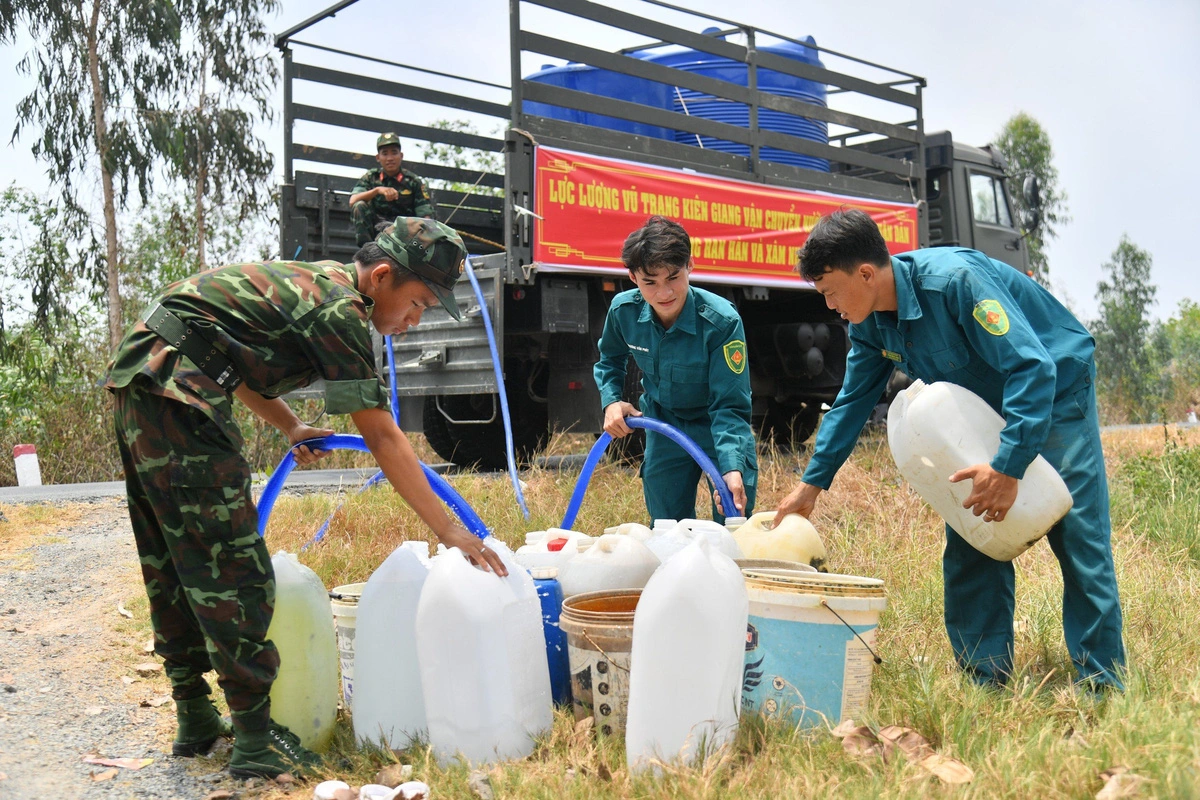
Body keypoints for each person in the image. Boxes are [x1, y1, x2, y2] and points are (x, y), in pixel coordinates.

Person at [104, 217, 506, 779]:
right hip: (178, 393)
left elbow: (227, 362)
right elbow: (383, 435)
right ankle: (253, 740)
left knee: (173, 556)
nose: (415, 322)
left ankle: (195, 714)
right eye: (416, 303)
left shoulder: (320, 284)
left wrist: (291, 425)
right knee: (233, 566)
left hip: (146, 378)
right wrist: (449, 530)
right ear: (383, 276)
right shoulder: (341, 310)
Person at [774, 209, 1125, 692]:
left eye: (830, 291)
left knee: (1077, 534)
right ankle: (985, 680)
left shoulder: (955, 283)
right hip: (984, 403)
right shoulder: (871, 322)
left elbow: (1033, 368)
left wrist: (1008, 466)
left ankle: (1103, 685)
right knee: (973, 529)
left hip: (1055, 389)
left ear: (866, 273)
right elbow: (852, 403)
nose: (829, 304)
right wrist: (811, 486)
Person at [594, 215, 757, 523]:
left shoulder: (721, 322)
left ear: (690, 266)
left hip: (717, 425)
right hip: (664, 423)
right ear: (633, 278)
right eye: (650, 282)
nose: (663, 293)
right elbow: (609, 361)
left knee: (733, 522)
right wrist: (611, 401)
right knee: (667, 527)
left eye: (673, 277)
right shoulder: (622, 311)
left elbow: (730, 404)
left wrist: (732, 465)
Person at [350, 133, 436, 246]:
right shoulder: (371, 177)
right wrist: (377, 191)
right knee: (359, 205)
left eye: (394, 153)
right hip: (376, 231)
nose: (390, 158)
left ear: (401, 155)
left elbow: (425, 215)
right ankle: (366, 251)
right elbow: (353, 200)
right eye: (385, 154)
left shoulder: (413, 181)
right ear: (378, 157)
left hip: (404, 233)